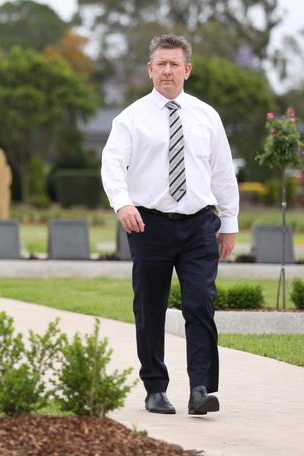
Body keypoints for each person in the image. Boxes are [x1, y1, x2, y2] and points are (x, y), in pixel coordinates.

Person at [101, 34, 239, 415]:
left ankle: (201, 389)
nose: (167, 70)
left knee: (200, 304)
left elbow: (223, 173)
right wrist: (122, 203)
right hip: (149, 226)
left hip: (199, 226)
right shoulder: (130, 118)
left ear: (187, 70)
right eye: (160, 64)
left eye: (174, 64)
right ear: (149, 70)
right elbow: (111, 165)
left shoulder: (207, 116)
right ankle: (156, 389)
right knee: (150, 308)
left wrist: (229, 223)